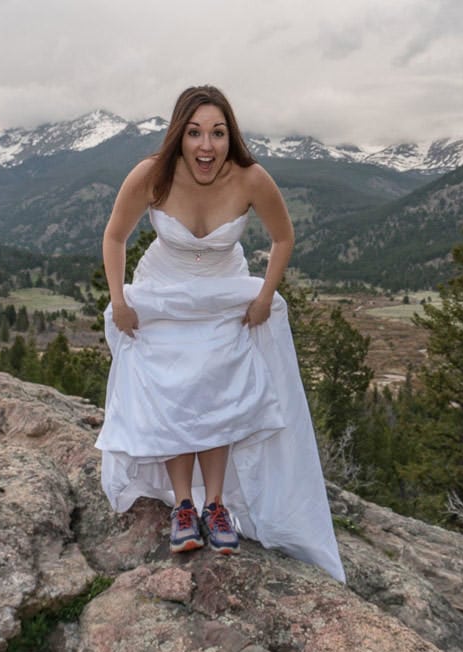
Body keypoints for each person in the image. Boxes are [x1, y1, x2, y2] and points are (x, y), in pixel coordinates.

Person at [95, 85, 345, 582]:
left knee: (219, 387)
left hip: (222, 292)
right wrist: (120, 300)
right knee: (172, 389)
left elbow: (283, 237)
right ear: (179, 136)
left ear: (231, 136)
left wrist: (262, 298)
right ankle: (182, 506)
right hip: (164, 290)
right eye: (194, 133)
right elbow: (115, 235)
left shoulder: (252, 179)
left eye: (216, 133)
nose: (205, 145)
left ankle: (216, 506)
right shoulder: (150, 175)